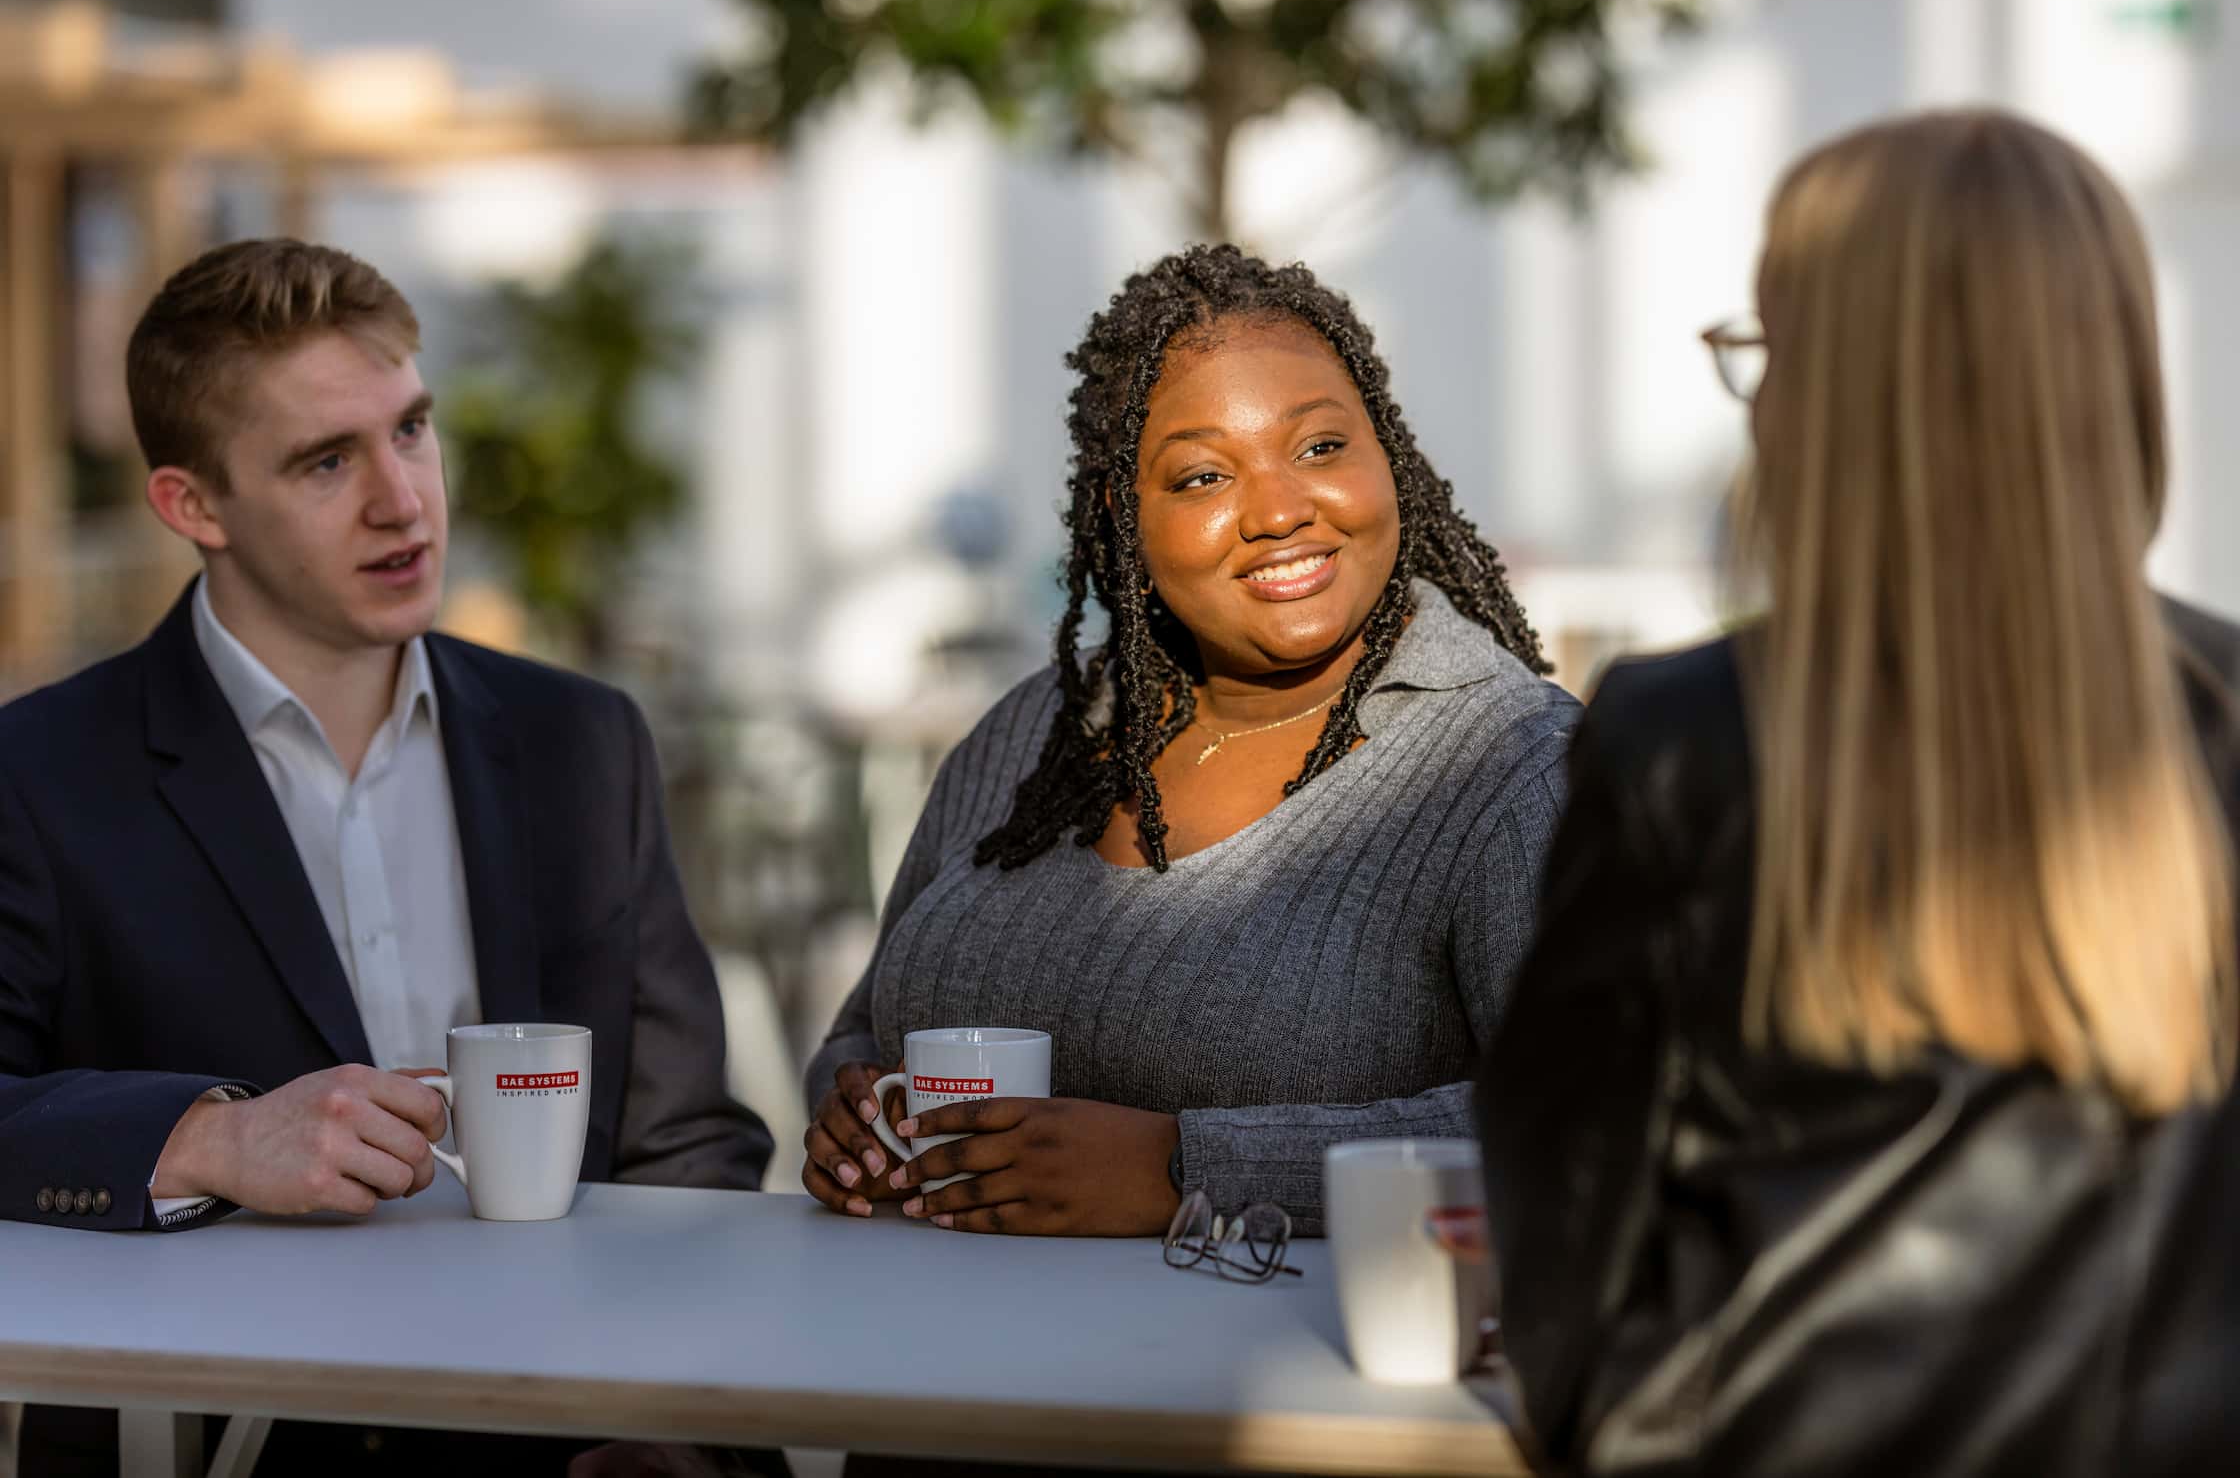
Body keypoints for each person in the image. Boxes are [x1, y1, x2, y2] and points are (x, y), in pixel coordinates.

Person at [1478, 110, 2240, 1476]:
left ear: (1825, 397)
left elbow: (1568, 1279)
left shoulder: (1683, 739)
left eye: (1764, 348)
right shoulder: (2228, 718)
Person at [0, 238, 775, 1473]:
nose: (401, 498)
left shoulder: (585, 740)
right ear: (192, 505)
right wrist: (207, 1137)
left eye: (410, 430)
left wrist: (670, 1423)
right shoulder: (36, 773)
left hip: (553, 1443)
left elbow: (683, 1143)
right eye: (325, 460)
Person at [802, 244, 1579, 1239]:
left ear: (1389, 455)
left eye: (1319, 447)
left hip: (1278, 1372)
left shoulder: (1512, 768)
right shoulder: (1033, 735)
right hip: (921, 1366)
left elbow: (1591, 1117)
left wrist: (1185, 1166)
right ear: (1123, 522)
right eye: (1203, 474)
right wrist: (850, 1109)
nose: (1278, 510)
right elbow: (866, 1024)